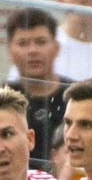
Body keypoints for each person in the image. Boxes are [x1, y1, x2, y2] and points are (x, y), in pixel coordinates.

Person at [6, 9, 71, 170]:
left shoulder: (76, 97)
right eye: (23, 43)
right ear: (10, 51)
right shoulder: (0, 100)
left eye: (41, 42)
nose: (33, 50)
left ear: (56, 48)